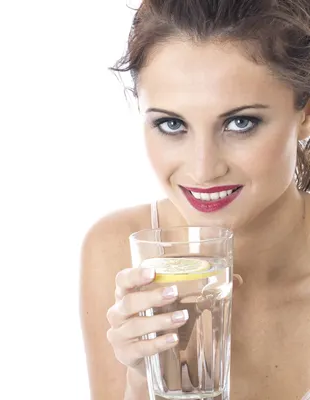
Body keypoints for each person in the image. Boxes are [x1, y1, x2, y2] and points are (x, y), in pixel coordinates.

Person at [79, 0, 310, 399]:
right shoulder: (118, 250)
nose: (203, 170)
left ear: (305, 113)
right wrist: (141, 381)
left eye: (241, 123)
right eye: (172, 124)